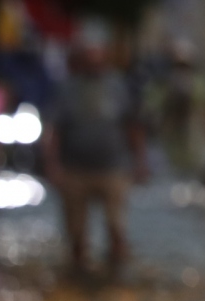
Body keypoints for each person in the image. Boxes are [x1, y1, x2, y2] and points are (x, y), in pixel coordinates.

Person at [42, 27, 148, 274]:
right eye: (88, 54)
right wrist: (52, 164)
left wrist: (140, 161)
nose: (94, 60)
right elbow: (53, 130)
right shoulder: (67, 89)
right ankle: (78, 273)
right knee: (76, 233)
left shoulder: (119, 87)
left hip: (113, 168)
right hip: (75, 169)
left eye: (98, 54)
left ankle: (117, 273)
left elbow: (133, 126)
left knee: (117, 227)